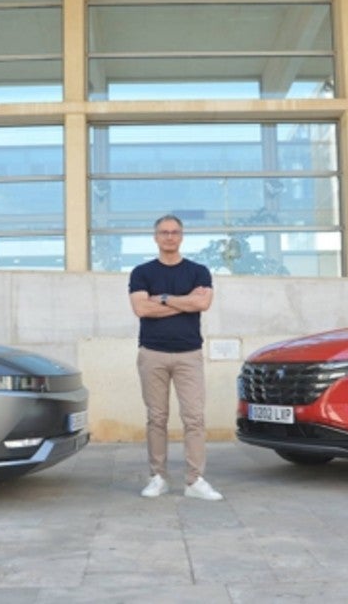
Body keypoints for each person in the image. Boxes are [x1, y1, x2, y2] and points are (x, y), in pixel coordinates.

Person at [127, 214, 223, 501]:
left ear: (182, 237)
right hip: (152, 353)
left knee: (194, 418)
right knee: (157, 418)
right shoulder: (142, 272)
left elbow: (203, 302)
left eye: (175, 232)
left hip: (189, 354)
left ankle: (195, 481)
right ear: (155, 237)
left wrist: (165, 298)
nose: (169, 237)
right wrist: (186, 302)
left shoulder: (198, 271)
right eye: (164, 232)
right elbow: (142, 310)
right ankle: (158, 477)